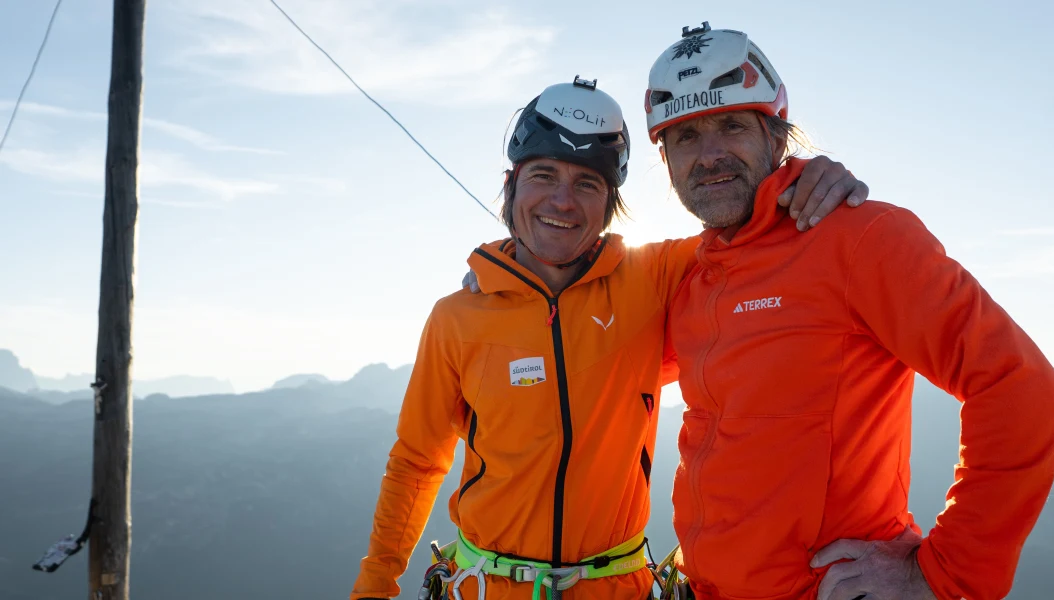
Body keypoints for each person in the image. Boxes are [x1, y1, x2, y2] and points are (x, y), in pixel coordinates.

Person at [350, 76, 869, 600]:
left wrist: (805, 178)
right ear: (511, 186)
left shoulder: (656, 277)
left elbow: (754, 228)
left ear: (610, 203)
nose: (563, 201)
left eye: (587, 184)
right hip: (482, 586)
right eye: (544, 175)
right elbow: (417, 462)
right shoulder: (457, 318)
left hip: (617, 587)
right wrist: (374, 586)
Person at [646, 23, 1054, 600]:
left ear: (777, 138)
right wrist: (500, 274)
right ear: (667, 162)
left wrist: (942, 574)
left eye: (732, 125)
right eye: (685, 137)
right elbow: (594, 329)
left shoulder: (858, 237)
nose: (710, 154)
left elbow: (1024, 391)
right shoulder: (691, 277)